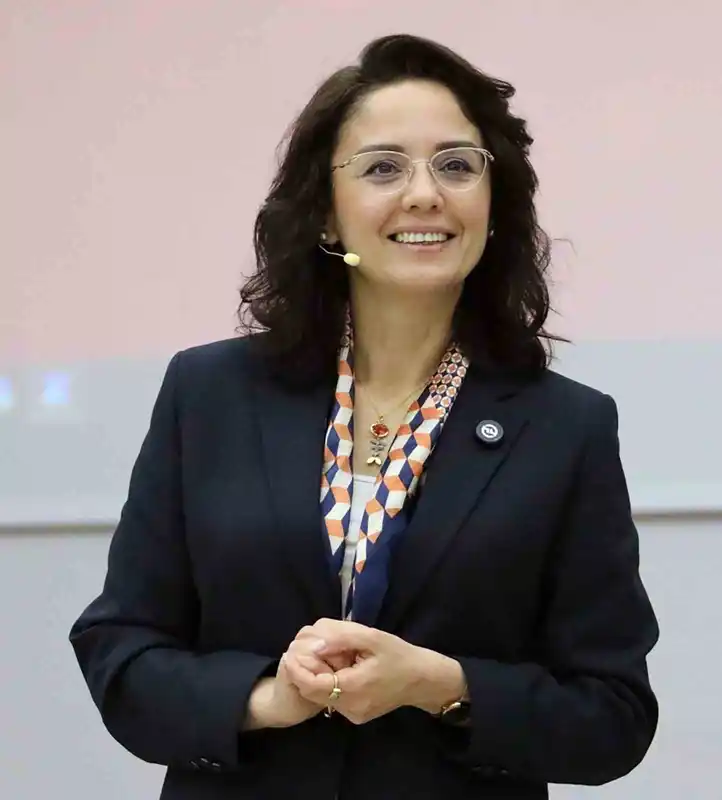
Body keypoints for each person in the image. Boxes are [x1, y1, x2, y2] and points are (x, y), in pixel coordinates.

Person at [70, 33, 659, 800]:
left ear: (493, 205)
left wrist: (441, 686)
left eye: (457, 166)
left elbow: (613, 717)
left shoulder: (566, 427)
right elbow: (122, 652)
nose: (425, 194)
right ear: (326, 214)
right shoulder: (209, 393)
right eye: (383, 168)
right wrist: (266, 699)